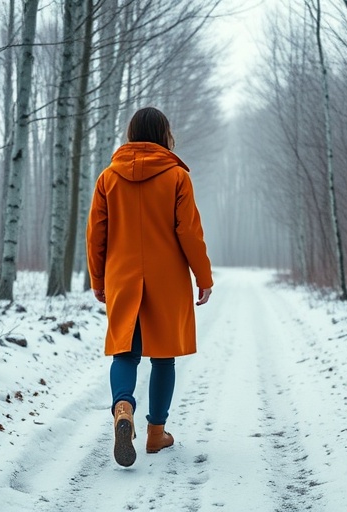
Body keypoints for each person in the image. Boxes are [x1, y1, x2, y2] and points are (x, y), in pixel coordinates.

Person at [86, 107, 213, 468]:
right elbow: (189, 232)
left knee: (125, 352)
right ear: (164, 135)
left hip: (122, 276)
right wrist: (203, 278)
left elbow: (96, 235)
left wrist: (98, 279)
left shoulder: (108, 178)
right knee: (163, 357)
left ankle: (122, 407)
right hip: (167, 279)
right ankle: (156, 434)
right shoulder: (176, 177)